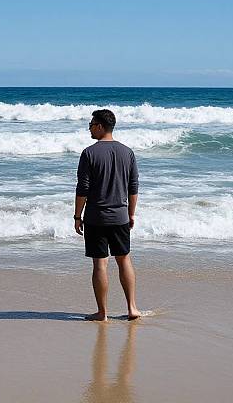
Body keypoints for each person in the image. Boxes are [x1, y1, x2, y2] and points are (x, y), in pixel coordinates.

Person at [74, 109, 141, 321]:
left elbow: (83, 188)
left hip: (96, 218)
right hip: (120, 216)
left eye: (92, 125)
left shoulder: (89, 153)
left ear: (101, 126)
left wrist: (77, 216)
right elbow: (133, 186)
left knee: (100, 264)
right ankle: (132, 308)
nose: (90, 129)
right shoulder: (127, 152)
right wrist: (131, 214)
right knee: (124, 261)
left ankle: (102, 313)